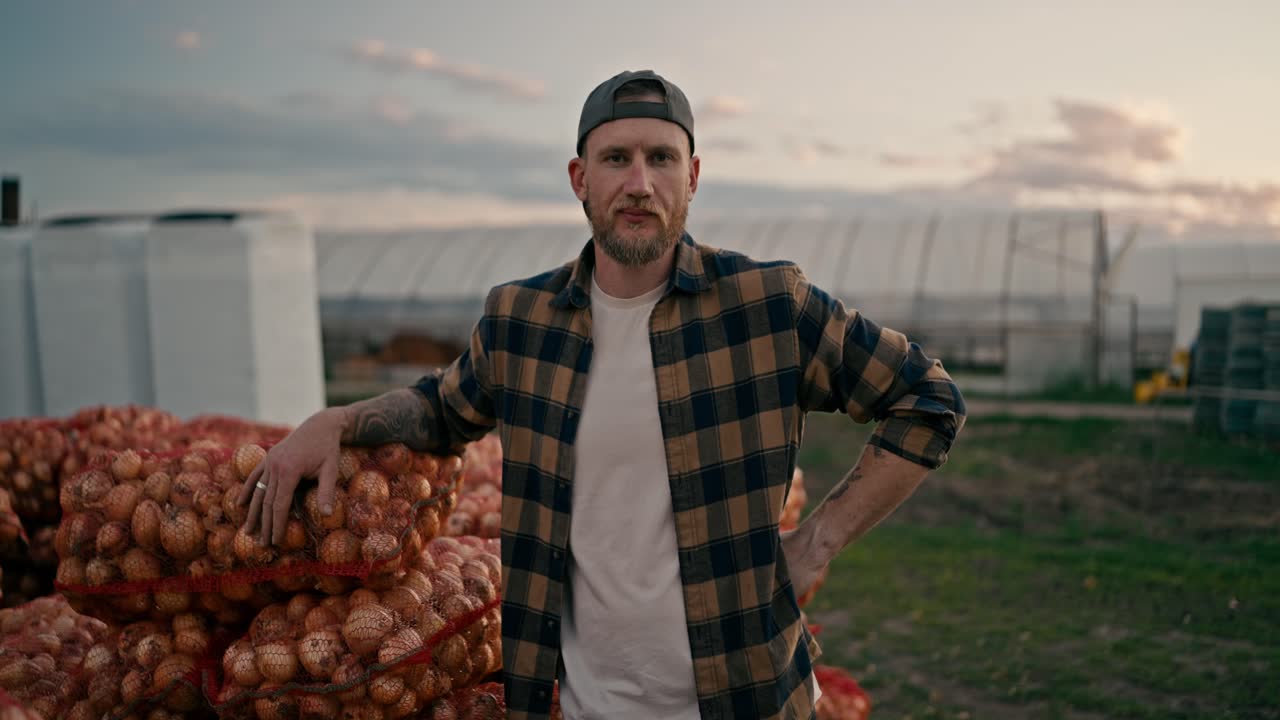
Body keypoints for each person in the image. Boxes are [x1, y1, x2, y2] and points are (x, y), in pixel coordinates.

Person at [240, 69, 966, 720]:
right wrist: (333, 420)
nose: (639, 182)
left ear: (694, 176)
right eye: (616, 158)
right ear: (579, 177)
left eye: (662, 158)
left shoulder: (767, 306)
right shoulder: (520, 322)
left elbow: (927, 400)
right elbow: (440, 408)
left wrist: (820, 539)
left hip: (748, 697)